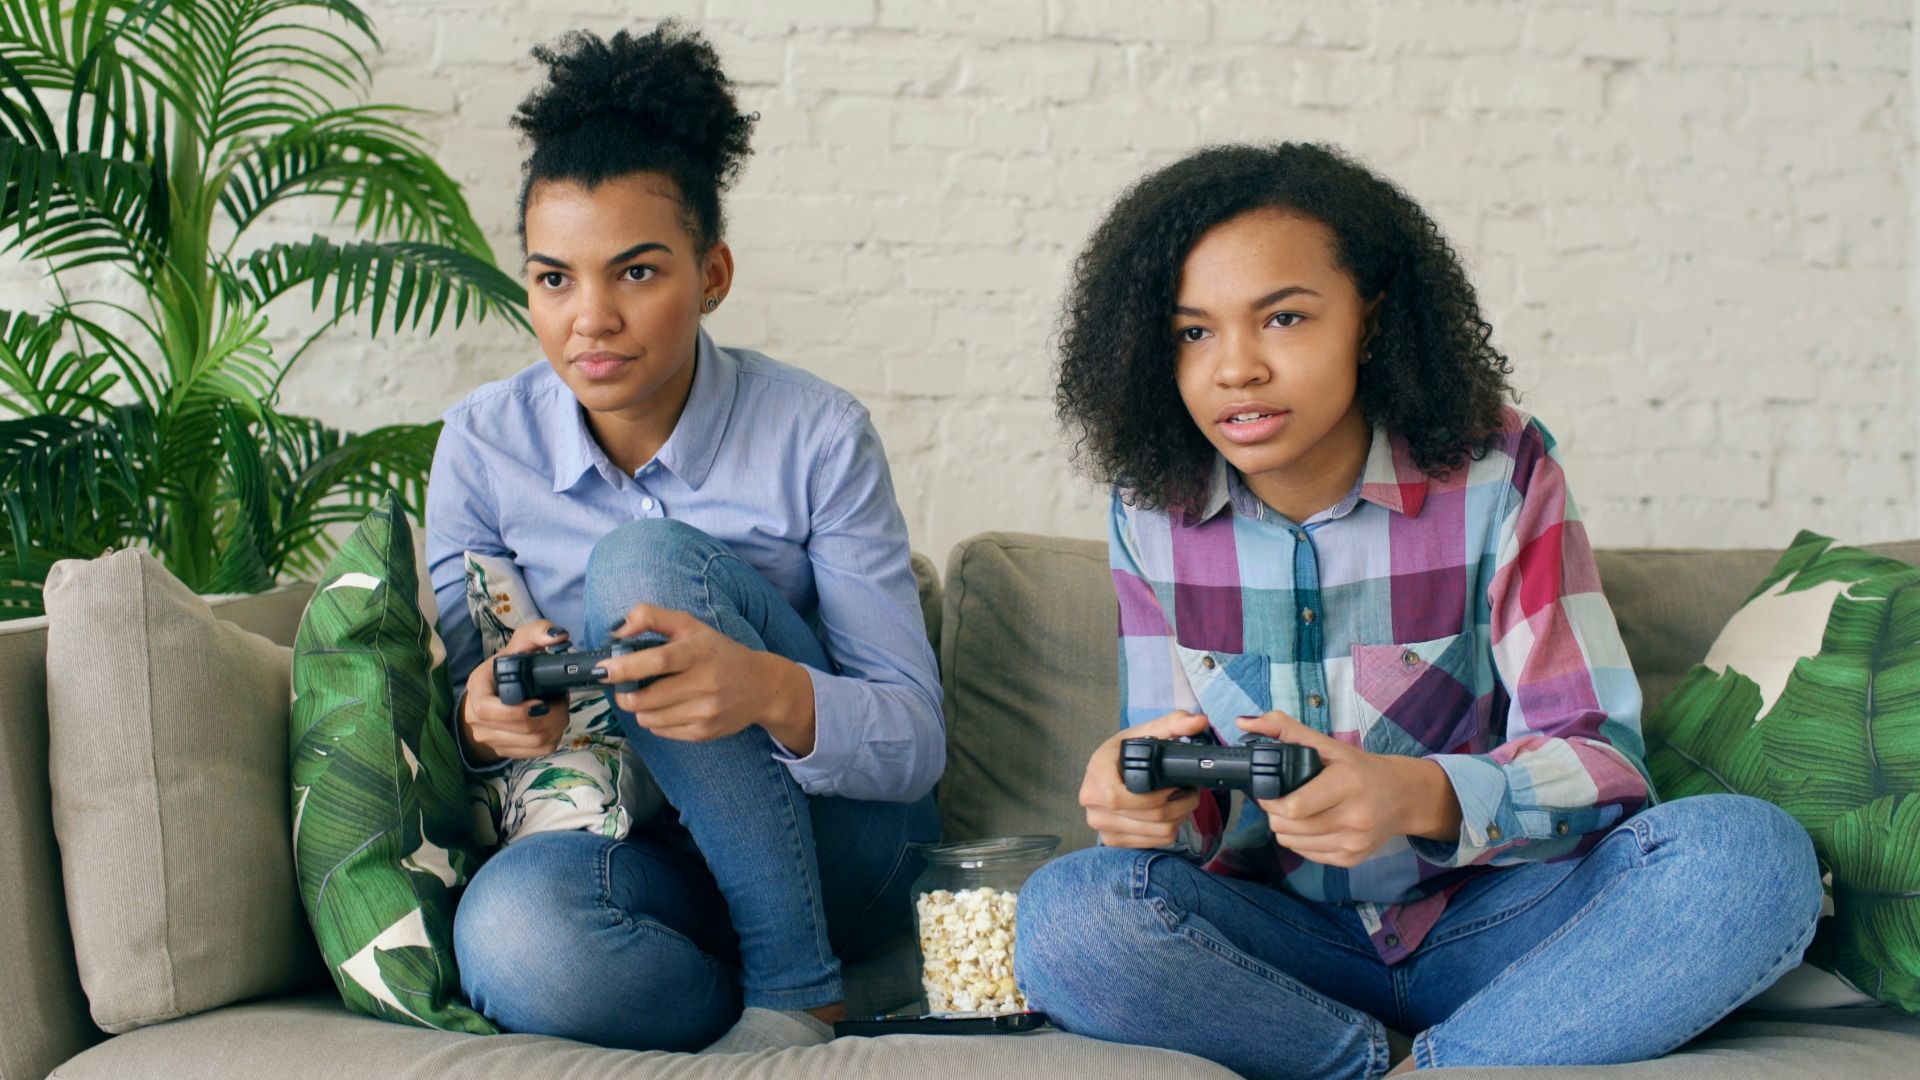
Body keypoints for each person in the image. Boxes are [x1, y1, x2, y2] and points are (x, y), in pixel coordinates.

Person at [1014, 142, 1821, 1080]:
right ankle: (1385, 1061)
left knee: (1749, 857)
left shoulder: (1497, 471)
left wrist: (1412, 794)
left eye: (1282, 317)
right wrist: (1143, 797)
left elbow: (1602, 761)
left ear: (1371, 320)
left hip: (1501, 921)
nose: (1235, 368)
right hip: (1280, 944)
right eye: (1193, 332)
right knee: (1071, 912)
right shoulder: (1149, 509)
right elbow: (1186, 804)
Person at [425, 23, 941, 1054]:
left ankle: (800, 987)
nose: (591, 319)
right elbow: (465, 698)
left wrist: (765, 691)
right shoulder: (483, 445)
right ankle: (751, 997)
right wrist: (490, 718)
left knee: (641, 563)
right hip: (650, 856)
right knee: (515, 939)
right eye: (554, 279)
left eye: (638, 273)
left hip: (840, 848)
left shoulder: (814, 432)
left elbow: (915, 742)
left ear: (713, 275)